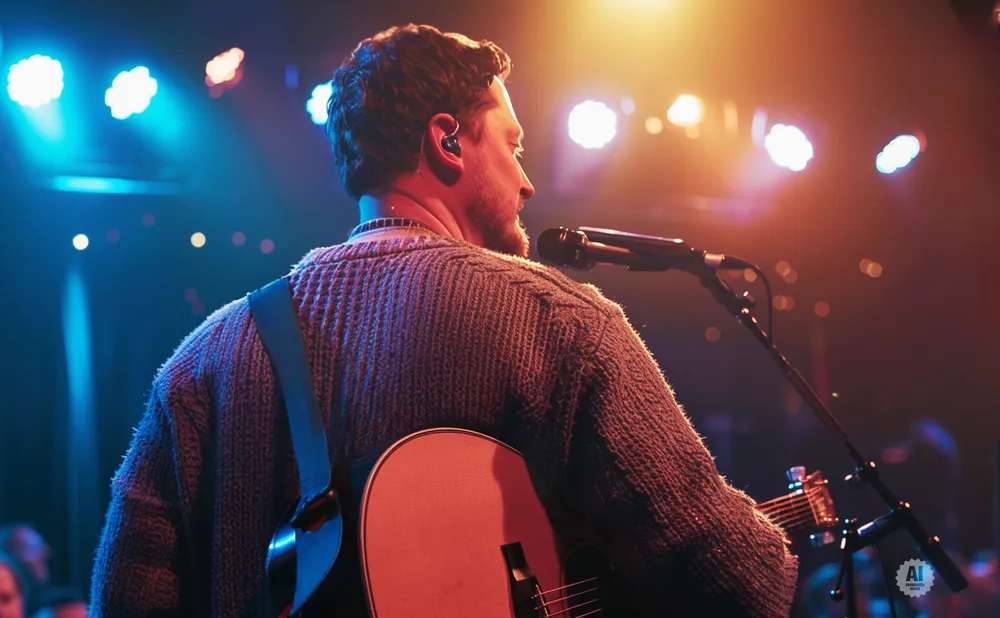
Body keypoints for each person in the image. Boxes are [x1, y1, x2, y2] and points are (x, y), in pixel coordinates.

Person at [89, 23, 798, 617]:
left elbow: (125, 599)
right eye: (513, 146)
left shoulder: (200, 362)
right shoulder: (559, 323)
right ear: (447, 140)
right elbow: (736, 583)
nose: (528, 181)